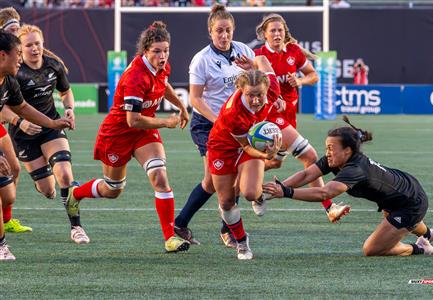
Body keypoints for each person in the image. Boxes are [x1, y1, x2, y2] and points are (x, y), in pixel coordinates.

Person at [65, 22, 191, 253]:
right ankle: (76, 193)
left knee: (160, 177)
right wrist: (166, 121)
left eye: (165, 50)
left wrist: (181, 107)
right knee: (113, 189)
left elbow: (164, 86)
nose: (162, 56)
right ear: (145, 51)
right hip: (118, 134)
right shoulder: (135, 76)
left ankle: (170, 238)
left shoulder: (161, 66)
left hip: (144, 132)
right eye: (156, 51)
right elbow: (133, 120)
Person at [263, 116, 433, 256]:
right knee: (394, 217)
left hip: (410, 202)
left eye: (331, 148)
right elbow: (307, 173)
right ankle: (427, 234)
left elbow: (325, 193)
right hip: (401, 193)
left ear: (347, 151)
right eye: (327, 147)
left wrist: (285, 192)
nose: (327, 153)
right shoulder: (334, 160)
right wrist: (278, 186)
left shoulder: (355, 169)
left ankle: (421, 249)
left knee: (372, 249)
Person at [253, 13, 350, 221]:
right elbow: (249, 85)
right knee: (311, 157)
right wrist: (269, 97)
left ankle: (256, 191)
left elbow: (313, 75)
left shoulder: (293, 52)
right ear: (265, 34)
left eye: (280, 30)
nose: (277, 34)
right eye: (273, 31)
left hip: (288, 117)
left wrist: (299, 81)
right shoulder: (259, 56)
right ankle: (329, 207)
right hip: (272, 118)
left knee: (273, 163)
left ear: (284, 32)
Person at [174, 4, 255, 248]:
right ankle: (186, 224)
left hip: (236, 123)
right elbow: (196, 99)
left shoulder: (243, 51)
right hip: (207, 125)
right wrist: (219, 120)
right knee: (213, 181)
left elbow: (256, 83)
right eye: (219, 30)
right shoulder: (201, 60)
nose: (224, 35)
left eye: (228, 30)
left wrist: (253, 69)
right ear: (210, 31)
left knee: (237, 175)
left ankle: (222, 228)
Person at [4, 24, 90, 244]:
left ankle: (76, 227)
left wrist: (68, 110)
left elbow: (65, 91)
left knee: (65, 174)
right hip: (23, 134)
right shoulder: (14, 73)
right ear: (20, 50)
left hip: (50, 128)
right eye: (29, 45)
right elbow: (10, 107)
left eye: (38, 44)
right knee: (48, 190)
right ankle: (43, 182)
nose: (34, 49)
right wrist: (20, 122)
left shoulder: (54, 65)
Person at [208, 55, 282, 260]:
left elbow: (264, 60)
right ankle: (242, 241)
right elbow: (245, 147)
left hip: (252, 143)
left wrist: (280, 99)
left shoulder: (273, 89)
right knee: (226, 201)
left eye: (260, 95)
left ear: (267, 89)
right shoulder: (234, 113)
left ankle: (258, 194)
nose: (256, 100)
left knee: (249, 193)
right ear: (241, 91)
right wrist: (267, 155)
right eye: (250, 96)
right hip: (224, 147)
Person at [0, 6, 38, 234]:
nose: (19, 32)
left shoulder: (15, 59)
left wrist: (53, 122)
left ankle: (6, 221)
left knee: (14, 169)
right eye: (13, 29)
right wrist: (19, 122)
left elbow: (19, 105)